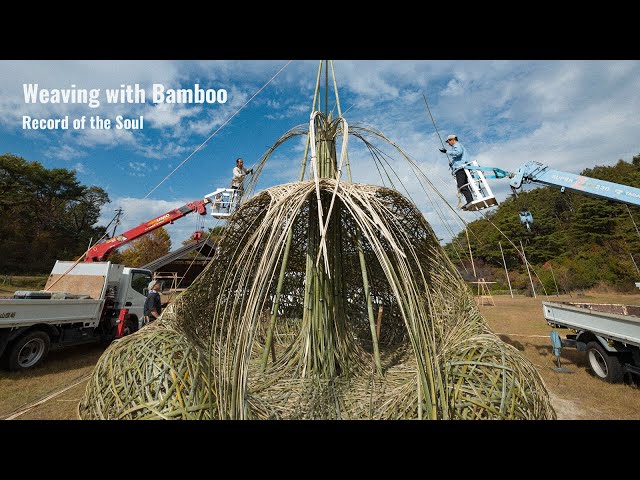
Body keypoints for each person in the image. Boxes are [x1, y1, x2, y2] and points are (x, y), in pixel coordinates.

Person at [439, 134, 474, 205]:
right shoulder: (457, 147)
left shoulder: (457, 145)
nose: (448, 143)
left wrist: (447, 152)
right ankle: (470, 200)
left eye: (448, 141)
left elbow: (458, 153)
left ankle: (470, 200)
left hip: (461, 168)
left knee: (461, 185)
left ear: (452, 140)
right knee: (464, 185)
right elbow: (458, 157)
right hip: (462, 168)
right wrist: (452, 164)